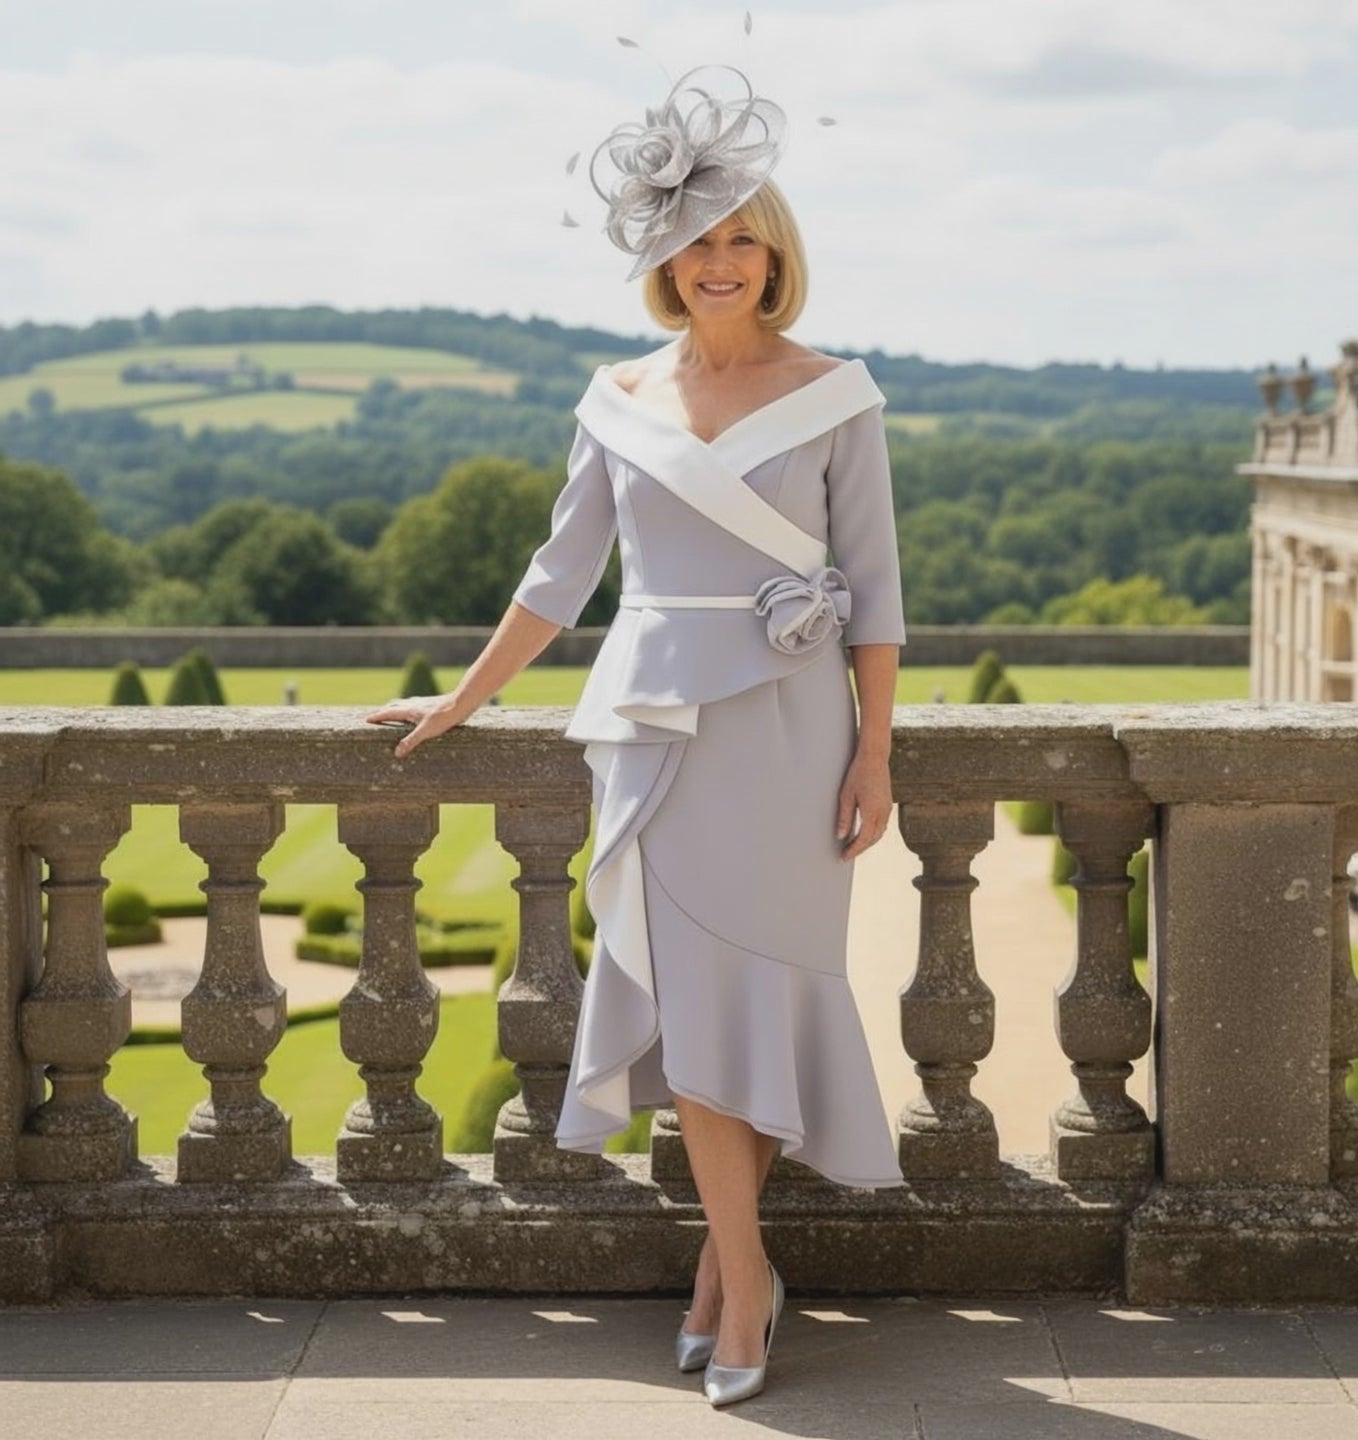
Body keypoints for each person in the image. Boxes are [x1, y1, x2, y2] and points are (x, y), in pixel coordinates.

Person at [364, 63, 907, 1408]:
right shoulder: (614, 396)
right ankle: (744, 1274)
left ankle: (731, 1281)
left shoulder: (840, 393)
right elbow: (557, 581)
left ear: (775, 255)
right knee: (697, 1013)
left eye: (742, 238)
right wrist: (459, 700)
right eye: (696, 241)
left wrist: (875, 752)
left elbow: (879, 593)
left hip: (792, 741)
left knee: (761, 996)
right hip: (654, 734)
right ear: (662, 257)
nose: (719, 262)